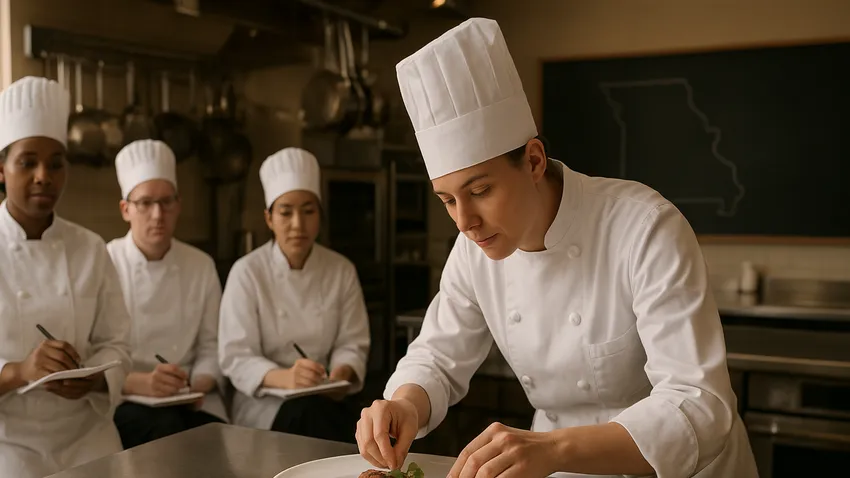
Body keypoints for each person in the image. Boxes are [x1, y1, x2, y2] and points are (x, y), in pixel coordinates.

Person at [355, 18, 759, 478]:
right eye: (447, 200)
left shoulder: (643, 227)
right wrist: (405, 403)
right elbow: (438, 357)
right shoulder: (474, 248)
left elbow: (699, 403)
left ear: (532, 160)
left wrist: (553, 449)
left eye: (481, 190)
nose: (464, 221)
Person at [0, 76, 132, 477]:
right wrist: (20, 371)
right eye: (28, 162)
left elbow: (119, 345)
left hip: (88, 437)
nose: (44, 175)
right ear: (2, 170)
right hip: (9, 442)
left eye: (56, 164)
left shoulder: (90, 247)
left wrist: (91, 381)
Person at [219, 147, 370, 443]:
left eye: (308, 211)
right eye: (286, 212)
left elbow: (353, 342)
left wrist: (342, 374)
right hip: (264, 408)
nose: (298, 224)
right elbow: (235, 356)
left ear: (320, 215)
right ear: (269, 218)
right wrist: (285, 377)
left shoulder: (341, 270)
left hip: (325, 401)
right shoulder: (248, 272)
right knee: (308, 414)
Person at [106, 139, 227, 449]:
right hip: (125, 400)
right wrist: (139, 383)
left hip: (190, 399)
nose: (157, 214)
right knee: (166, 432)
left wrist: (194, 384)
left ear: (179, 204)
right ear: (125, 209)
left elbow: (213, 346)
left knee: (220, 441)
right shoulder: (105, 262)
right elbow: (92, 352)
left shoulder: (200, 265)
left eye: (166, 201)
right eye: (145, 203)